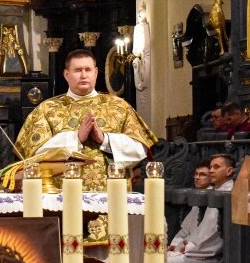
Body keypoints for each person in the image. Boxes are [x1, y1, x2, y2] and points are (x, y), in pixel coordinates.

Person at [14, 49, 157, 191]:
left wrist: (105, 140)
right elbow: (35, 156)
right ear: (66, 74)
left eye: (88, 70)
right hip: (63, 196)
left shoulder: (119, 107)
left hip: (112, 196)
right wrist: (75, 138)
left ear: (95, 73)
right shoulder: (47, 109)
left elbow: (140, 149)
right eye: (77, 70)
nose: (83, 75)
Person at [159, 154, 235, 263]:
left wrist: (186, 248)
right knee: (161, 260)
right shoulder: (211, 193)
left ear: (229, 170)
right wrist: (178, 245)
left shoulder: (227, 194)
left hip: (214, 259)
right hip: (199, 253)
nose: (211, 171)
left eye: (216, 167)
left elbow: (212, 235)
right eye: (211, 167)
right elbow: (187, 228)